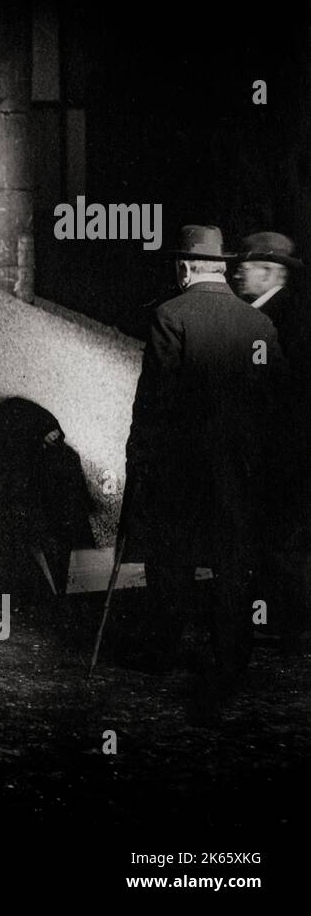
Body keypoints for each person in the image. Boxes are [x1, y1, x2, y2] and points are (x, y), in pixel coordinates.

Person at [124, 225, 283, 716]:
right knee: (233, 560)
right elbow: (274, 398)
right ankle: (231, 660)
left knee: (171, 558)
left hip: (182, 465)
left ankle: (163, 652)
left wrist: (139, 456)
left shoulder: (171, 314)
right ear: (221, 266)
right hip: (240, 465)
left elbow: (157, 400)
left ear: (185, 268)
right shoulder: (257, 324)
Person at [231, 231, 309, 651]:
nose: (239, 271)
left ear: (272, 272)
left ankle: (284, 622)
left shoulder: (279, 323)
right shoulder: (271, 316)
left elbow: (275, 393)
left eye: (249, 266)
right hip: (277, 450)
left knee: (278, 540)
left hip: (281, 453)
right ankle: (273, 616)